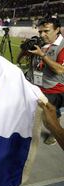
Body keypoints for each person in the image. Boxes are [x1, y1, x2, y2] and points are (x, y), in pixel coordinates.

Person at [28, 17, 64, 145]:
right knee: (46, 114)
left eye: (46, 31)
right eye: (40, 32)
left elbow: (60, 70)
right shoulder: (42, 43)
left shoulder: (62, 46)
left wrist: (42, 55)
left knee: (47, 115)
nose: (42, 35)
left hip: (56, 89)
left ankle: (55, 134)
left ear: (57, 30)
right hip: (40, 85)